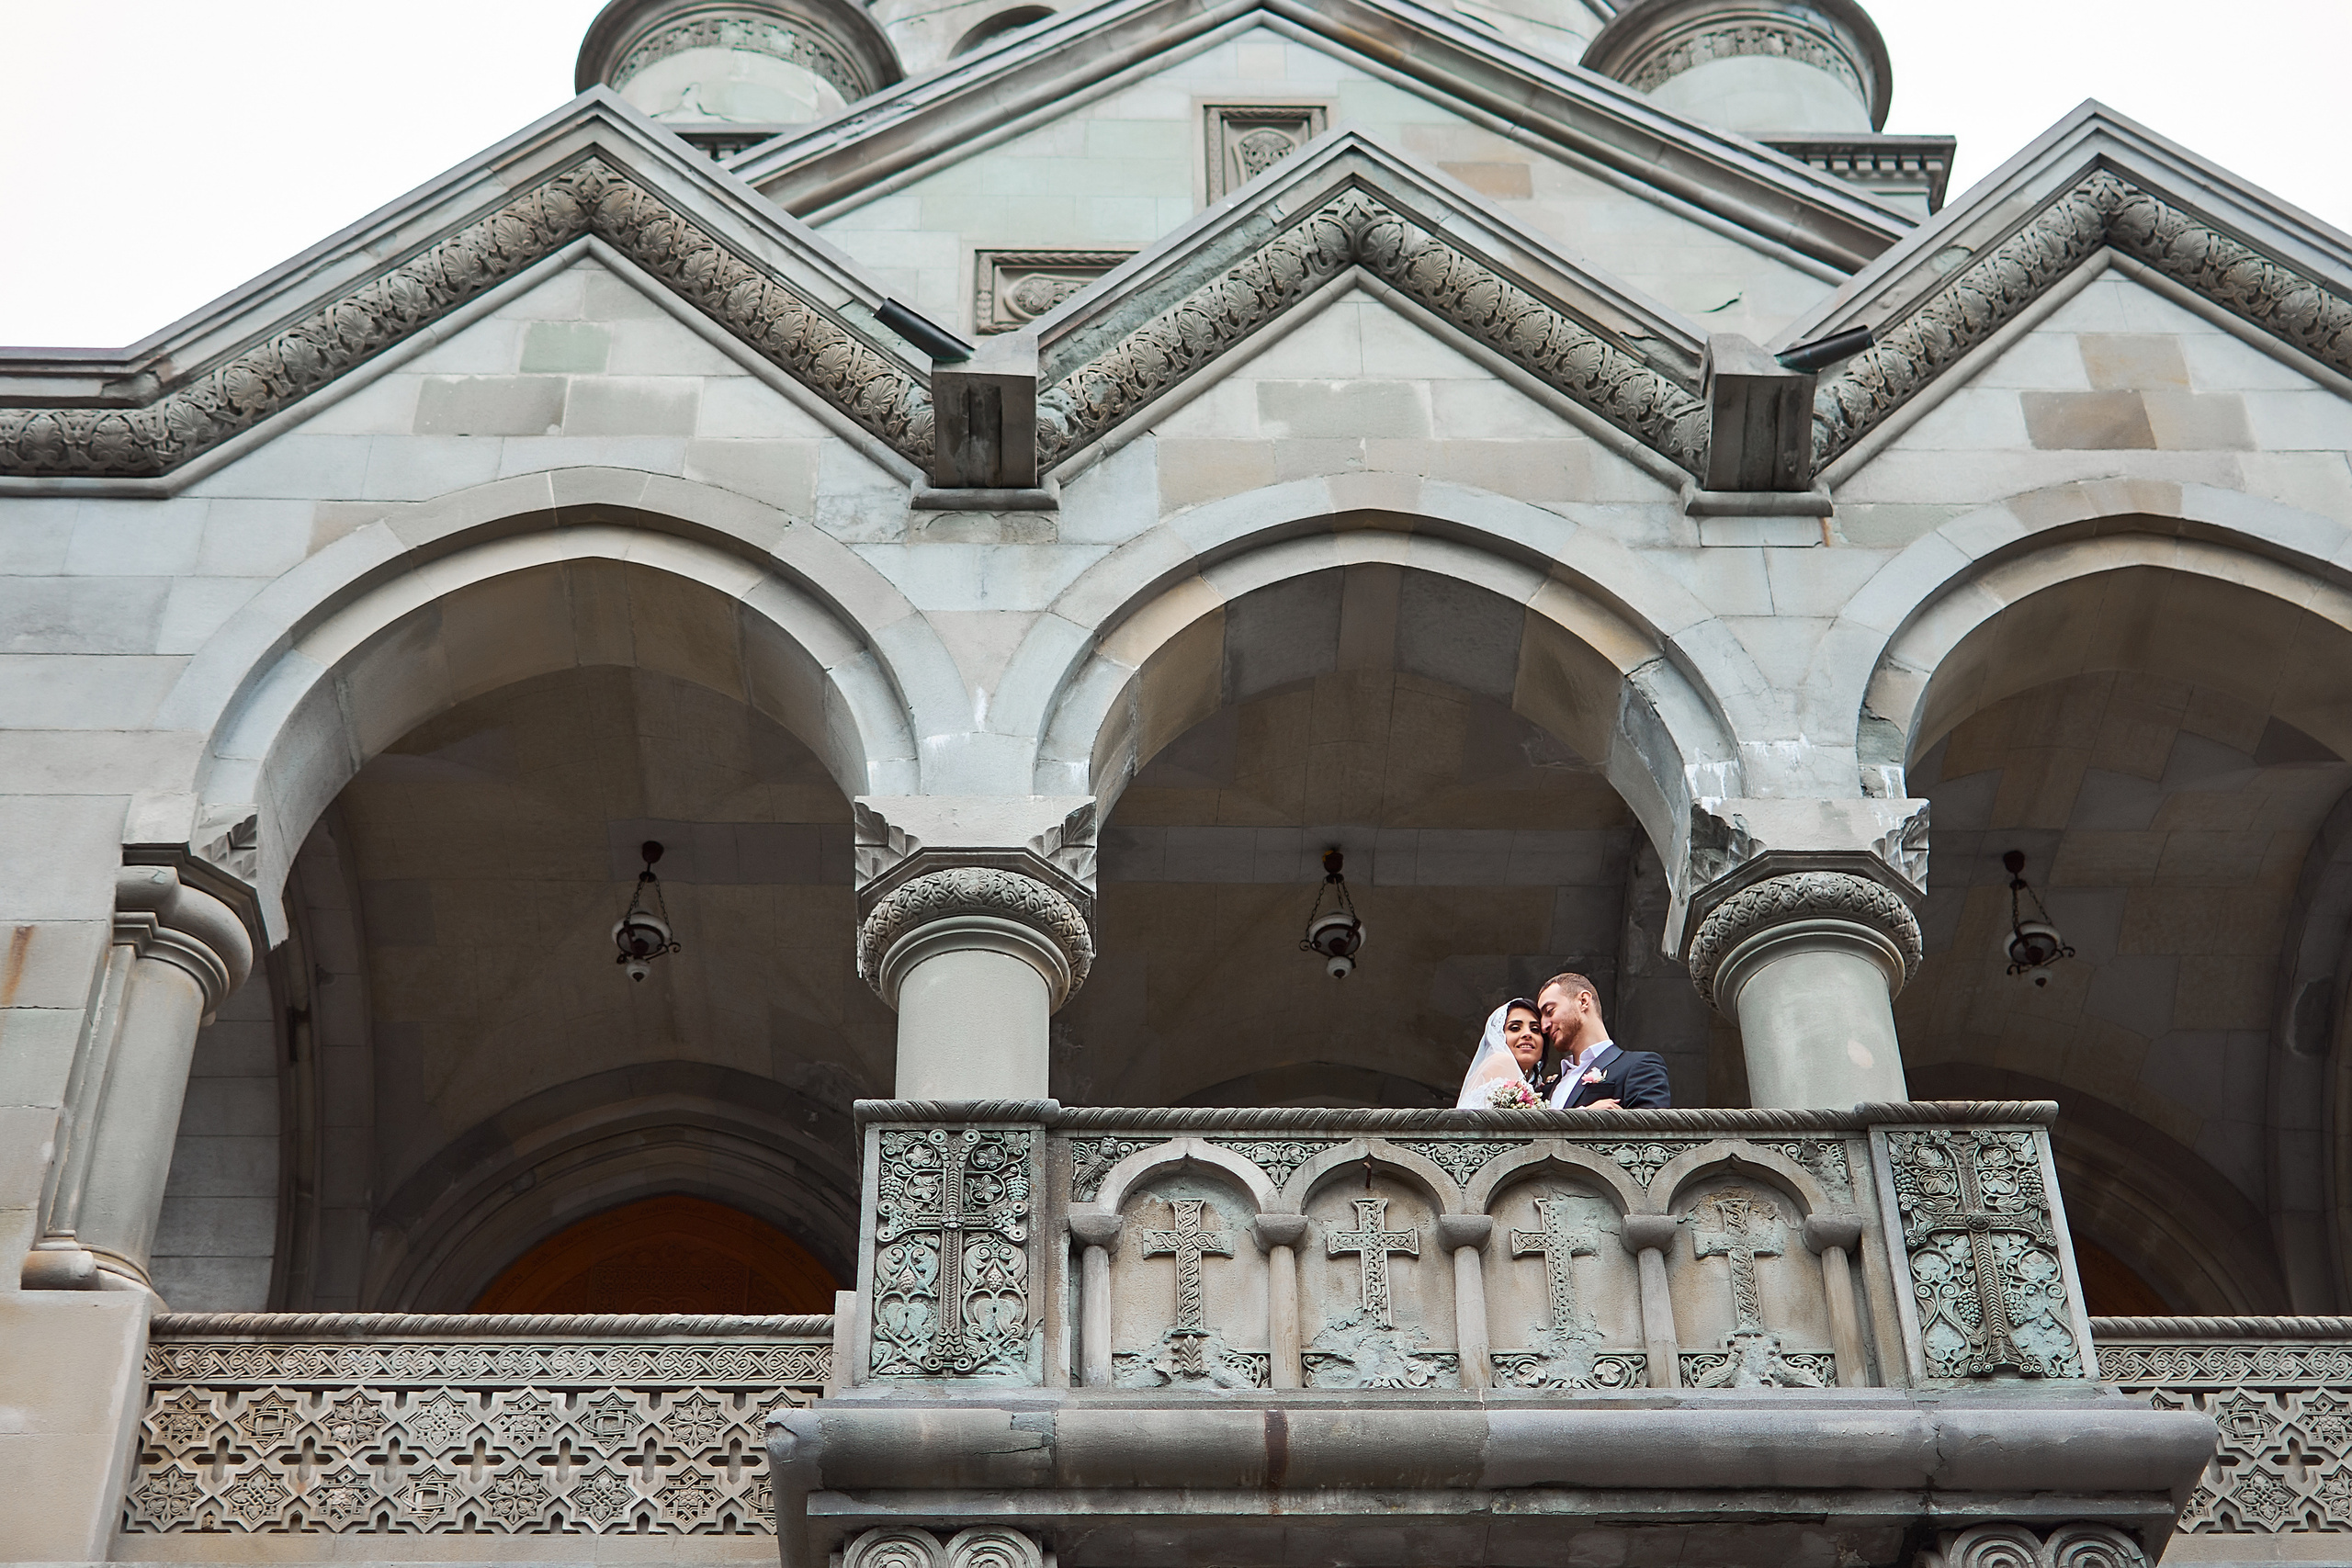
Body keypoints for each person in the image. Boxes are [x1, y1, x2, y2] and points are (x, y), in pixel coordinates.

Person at [1536, 971, 1670, 1109]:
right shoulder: (1547, 1089)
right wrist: (1585, 1115)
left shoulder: (1640, 1066)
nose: (1544, 1026)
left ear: (1583, 1001)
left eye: (1550, 1011)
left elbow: (1652, 1128)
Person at [1454, 998, 1545, 1108]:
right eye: (1515, 1028)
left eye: (1535, 1029)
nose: (1527, 1034)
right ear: (1498, 1036)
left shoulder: (1536, 1082)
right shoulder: (1502, 1061)